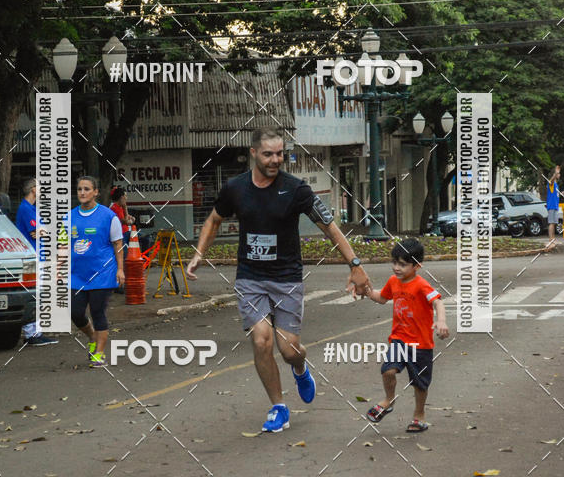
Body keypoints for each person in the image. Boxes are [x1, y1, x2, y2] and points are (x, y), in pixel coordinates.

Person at [186, 127, 372, 433]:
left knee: (289, 350)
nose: (276, 160)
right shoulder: (235, 188)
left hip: (286, 278)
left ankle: (300, 369)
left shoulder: (296, 189)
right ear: (254, 153)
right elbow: (213, 220)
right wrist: (199, 254)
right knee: (261, 340)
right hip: (250, 278)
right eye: (269, 154)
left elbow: (330, 228)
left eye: (280, 153)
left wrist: (355, 265)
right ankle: (278, 406)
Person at [359, 238, 448, 433]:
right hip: (399, 340)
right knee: (388, 371)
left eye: (402, 264)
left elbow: (438, 302)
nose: (396, 268)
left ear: (417, 265)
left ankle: (419, 416)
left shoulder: (421, 285)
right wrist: (366, 291)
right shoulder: (393, 282)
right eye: (394, 263)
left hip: (421, 344)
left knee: (420, 385)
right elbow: (382, 298)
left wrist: (440, 321)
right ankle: (388, 400)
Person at [71, 176, 125, 367]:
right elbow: (62, 245)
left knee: (97, 311)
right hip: (77, 275)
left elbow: (118, 244)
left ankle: (99, 354)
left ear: (95, 192)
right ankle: (93, 336)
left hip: (102, 273)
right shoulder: (69, 217)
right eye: (79, 189)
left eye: (86, 189)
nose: (82, 193)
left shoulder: (108, 216)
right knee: (75, 312)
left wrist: (120, 269)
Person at [15, 177, 58, 347]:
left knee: (38, 294)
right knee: (35, 294)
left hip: (35, 257)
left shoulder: (30, 209)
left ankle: (34, 331)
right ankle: (32, 333)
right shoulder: (26, 209)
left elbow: (41, 232)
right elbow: (36, 232)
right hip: (31, 259)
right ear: (33, 189)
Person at [110, 187, 135, 291]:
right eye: (125, 196)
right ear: (121, 197)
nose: (126, 198)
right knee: (122, 259)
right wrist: (125, 210)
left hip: (125, 233)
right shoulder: (114, 208)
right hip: (120, 236)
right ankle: (119, 285)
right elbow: (125, 221)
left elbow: (127, 217)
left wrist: (126, 210)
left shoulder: (119, 206)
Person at [545, 165, 561, 250]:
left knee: (554, 223)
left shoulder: (556, 185)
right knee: (551, 223)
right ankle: (551, 239)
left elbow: (557, 194)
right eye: (559, 174)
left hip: (555, 206)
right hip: (551, 206)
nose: (559, 175)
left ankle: (553, 239)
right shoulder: (551, 183)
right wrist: (556, 173)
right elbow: (551, 181)